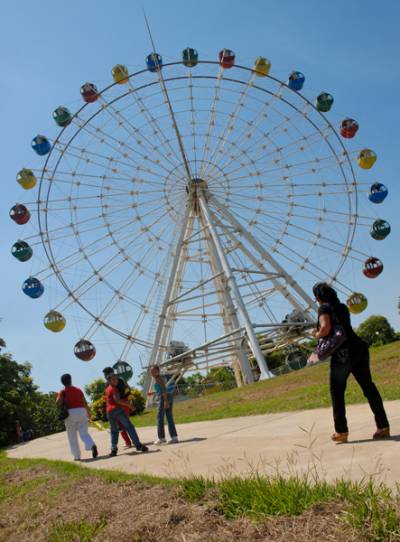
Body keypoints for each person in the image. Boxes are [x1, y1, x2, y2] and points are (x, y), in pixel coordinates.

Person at [312, 282, 390, 443]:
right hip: (359, 347)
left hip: (342, 353)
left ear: (318, 297)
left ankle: (341, 431)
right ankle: (383, 427)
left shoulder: (324, 308)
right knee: (369, 387)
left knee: (337, 392)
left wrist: (316, 334)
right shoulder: (342, 307)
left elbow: (325, 328)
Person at [57, 374, 98, 461]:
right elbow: (85, 402)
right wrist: (88, 412)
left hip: (70, 413)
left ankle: (77, 456)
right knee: (84, 432)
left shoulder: (63, 391)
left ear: (62, 382)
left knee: (72, 435)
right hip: (82, 411)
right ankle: (91, 445)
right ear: (71, 380)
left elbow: (59, 402)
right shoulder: (78, 390)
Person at [105, 373, 148, 456]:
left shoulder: (107, 389)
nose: (116, 380)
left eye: (116, 379)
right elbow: (117, 400)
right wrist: (129, 405)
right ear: (109, 381)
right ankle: (138, 445)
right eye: (113, 379)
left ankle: (113, 449)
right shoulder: (114, 389)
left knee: (114, 431)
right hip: (117, 410)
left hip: (109, 412)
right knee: (129, 427)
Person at [103, 367, 132, 448]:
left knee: (120, 425)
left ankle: (128, 442)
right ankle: (133, 440)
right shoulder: (121, 379)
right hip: (125, 402)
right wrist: (129, 400)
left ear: (108, 374)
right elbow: (128, 389)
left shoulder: (108, 383)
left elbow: (109, 396)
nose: (104, 376)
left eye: (105, 374)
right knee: (127, 423)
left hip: (118, 405)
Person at [150, 365, 178, 445]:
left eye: (154, 371)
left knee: (159, 418)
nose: (152, 373)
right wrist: (154, 393)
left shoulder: (158, 378)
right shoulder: (160, 378)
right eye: (151, 371)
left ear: (158, 371)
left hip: (164, 397)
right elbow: (162, 389)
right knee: (169, 417)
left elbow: (164, 389)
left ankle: (161, 438)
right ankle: (174, 437)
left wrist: (165, 401)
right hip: (168, 396)